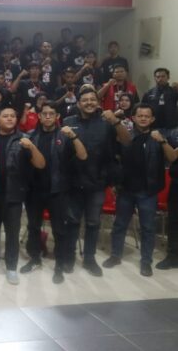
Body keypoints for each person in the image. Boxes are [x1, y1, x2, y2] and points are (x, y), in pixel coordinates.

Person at [61, 87, 131, 277]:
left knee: (93, 223)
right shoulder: (68, 122)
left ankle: (89, 259)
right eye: (85, 100)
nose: (89, 102)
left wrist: (115, 121)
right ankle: (69, 257)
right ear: (78, 104)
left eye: (93, 99)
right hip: (73, 183)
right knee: (72, 221)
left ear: (98, 102)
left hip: (97, 182)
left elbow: (127, 142)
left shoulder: (107, 123)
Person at [104, 104, 177, 276]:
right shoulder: (126, 135)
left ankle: (146, 262)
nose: (143, 118)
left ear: (152, 119)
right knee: (119, 225)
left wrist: (162, 140)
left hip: (148, 192)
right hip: (125, 190)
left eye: (147, 116)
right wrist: (115, 183)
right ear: (134, 118)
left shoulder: (161, 135)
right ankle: (115, 255)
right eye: (140, 115)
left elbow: (172, 158)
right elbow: (117, 160)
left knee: (148, 228)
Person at [23, 102, 88, 284]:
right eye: (44, 113)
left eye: (51, 113)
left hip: (58, 190)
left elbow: (83, 156)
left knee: (59, 230)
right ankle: (35, 258)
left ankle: (59, 264)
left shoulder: (65, 135)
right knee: (33, 227)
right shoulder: (31, 136)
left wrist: (74, 137)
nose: (48, 116)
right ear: (39, 116)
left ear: (57, 116)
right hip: (34, 191)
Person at [0, 106, 46, 285]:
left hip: (14, 194)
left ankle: (11, 266)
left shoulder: (24, 139)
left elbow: (41, 164)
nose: (10, 118)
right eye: (6, 116)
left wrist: (32, 147)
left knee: (12, 233)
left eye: (13, 116)